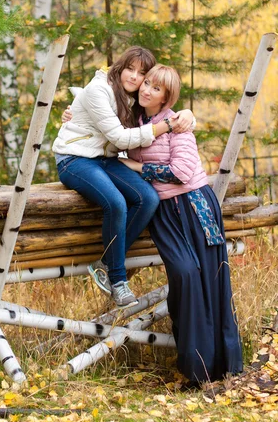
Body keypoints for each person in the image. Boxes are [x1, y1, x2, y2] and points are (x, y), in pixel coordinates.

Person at [120, 64, 243, 383]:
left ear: (167, 96)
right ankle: (196, 365)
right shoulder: (135, 121)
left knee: (211, 281)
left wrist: (136, 167)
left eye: (156, 88)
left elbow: (183, 172)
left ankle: (220, 366)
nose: (146, 90)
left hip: (196, 207)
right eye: (146, 83)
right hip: (164, 214)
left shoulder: (177, 123)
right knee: (185, 276)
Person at [52, 47, 194, 309]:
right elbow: (120, 137)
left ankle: (105, 263)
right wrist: (169, 125)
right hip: (75, 158)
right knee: (116, 202)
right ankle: (118, 281)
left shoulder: (132, 98)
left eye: (142, 73)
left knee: (148, 198)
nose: (134, 77)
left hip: (106, 160)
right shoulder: (99, 90)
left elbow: (161, 109)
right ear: (119, 66)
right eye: (130, 69)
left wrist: (187, 115)